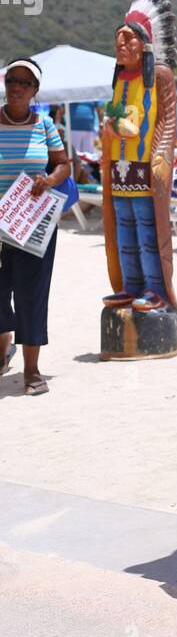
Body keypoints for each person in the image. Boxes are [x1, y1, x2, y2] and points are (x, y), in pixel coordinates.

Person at [101, 0, 177, 313]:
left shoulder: (160, 75)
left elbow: (169, 120)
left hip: (146, 168)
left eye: (128, 39)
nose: (121, 44)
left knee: (148, 231)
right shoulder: (120, 78)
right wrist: (108, 127)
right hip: (121, 168)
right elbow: (116, 117)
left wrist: (160, 157)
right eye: (118, 39)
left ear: (144, 44)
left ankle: (155, 289)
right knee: (124, 233)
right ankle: (130, 287)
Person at [0, 57, 71, 394]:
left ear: (35, 91)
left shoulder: (44, 125)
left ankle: (31, 370)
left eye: (24, 83)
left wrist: (50, 179)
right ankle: (2, 351)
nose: (16, 86)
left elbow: (63, 165)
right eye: (12, 79)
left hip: (33, 222)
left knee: (32, 295)